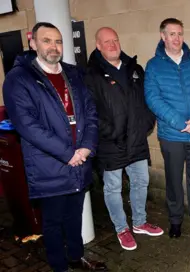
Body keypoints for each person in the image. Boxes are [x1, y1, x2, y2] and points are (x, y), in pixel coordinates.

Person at [2, 22, 106, 272]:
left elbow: (91, 113)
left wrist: (87, 147)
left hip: (79, 162)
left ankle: (76, 257)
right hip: (49, 165)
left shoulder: (74, 73)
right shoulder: (19, 79)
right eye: (46, 40)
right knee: (53, 222)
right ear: (33, 43)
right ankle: (59, 266)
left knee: (74, 217)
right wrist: (67, 153)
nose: (54, 46)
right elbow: (27, 125)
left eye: (58, 41)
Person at [84, 27, 162, 251]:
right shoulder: (91, 75)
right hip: (111, 142)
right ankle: (121, 228)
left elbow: (146, 100)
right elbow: (89, 112)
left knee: (141, 182)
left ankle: (139, 223)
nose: (112, 44)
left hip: (137, 138)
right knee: (113, 188)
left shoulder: (134, 68)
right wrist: (110, 131)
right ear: (98, 45)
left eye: (115, 40)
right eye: (107, 41)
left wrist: (147, 123)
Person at [144, 18, 190, 242]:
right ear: (163, 37)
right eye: (172, 34)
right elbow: (152, 98)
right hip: (171, 136)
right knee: (174, 180)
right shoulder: (154, 66)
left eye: (180, 34)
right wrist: (179, 122)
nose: (177, 38)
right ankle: (175, 221)